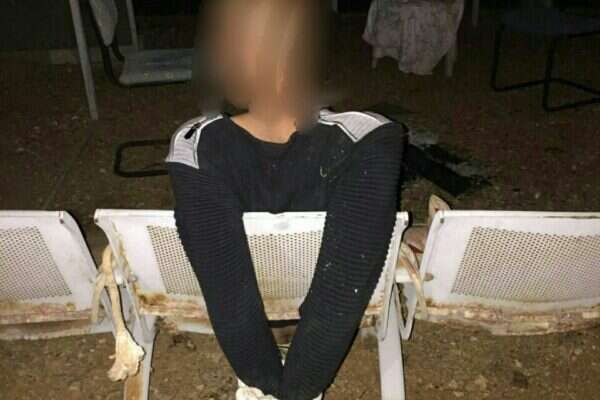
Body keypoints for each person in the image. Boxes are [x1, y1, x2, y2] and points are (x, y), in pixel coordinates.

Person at [166, 1, 405, 399]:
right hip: (305, 355)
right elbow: (339, 292)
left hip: (268, 350)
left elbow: (231, 300)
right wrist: (297, 390)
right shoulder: (370, 140)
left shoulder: (196, 147)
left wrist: (270, 386)